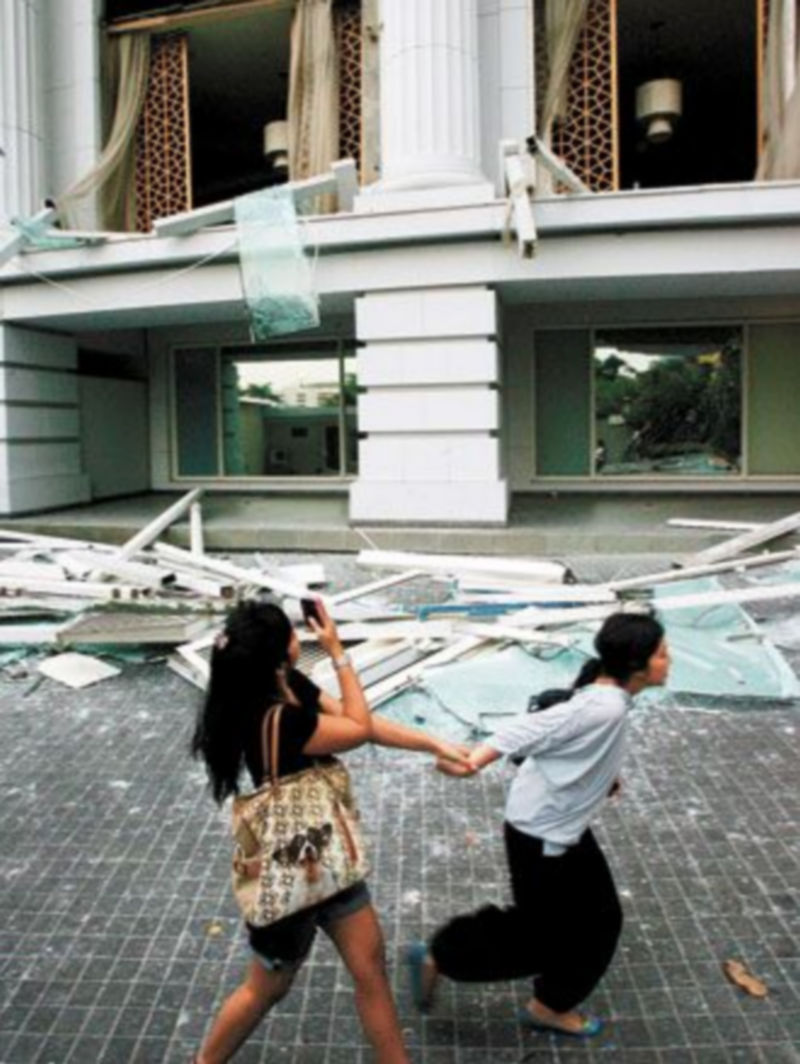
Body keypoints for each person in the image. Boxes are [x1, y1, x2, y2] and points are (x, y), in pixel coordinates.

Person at [190, 598, 470, 1064]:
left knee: (370, 972)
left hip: (333, 863)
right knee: (265, 990)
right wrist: (338, 651)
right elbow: (357, 728)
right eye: (293, 633)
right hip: (288, 884)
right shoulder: (279, 721)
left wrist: (431, 741)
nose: (301, 638)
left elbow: (360, 722)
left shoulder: (287, 686)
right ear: (282, 652)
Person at [406, 611, 669, 1038]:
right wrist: (475, 760)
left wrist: (602, 777)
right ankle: (446, 957)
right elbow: (531, 728)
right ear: (637, 665)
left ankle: (532, 995)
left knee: (585, 922)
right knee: (553, 934)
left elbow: (575, 738)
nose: (668, 660)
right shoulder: (603, 707)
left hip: (553, 824)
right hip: (543, 833)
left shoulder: (606, 697)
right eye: (662, 653)